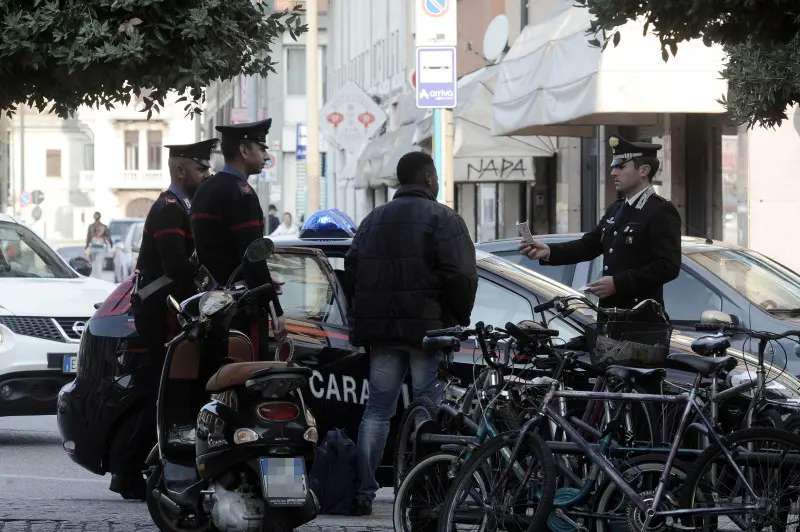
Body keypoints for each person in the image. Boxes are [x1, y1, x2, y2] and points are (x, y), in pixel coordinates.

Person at [344, 151, 478, 515]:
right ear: (429, 178)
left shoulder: (373, 220)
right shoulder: (443, 219)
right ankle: (422, 487)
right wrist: (457, 318)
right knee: (428, 406)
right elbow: (461, 275)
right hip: (428, 331)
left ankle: (363, 492)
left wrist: (366, 316)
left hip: (383, 333)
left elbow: (351, 269)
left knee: (377, 410)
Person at [110, 138, 218, 500]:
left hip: (165, 311)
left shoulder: (181, 206)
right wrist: (208, 272)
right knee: (163, 392)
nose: (207, 174)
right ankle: (127, 472)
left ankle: (134, 469)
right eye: (202, 168)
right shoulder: (170, 208)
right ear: (181, 170)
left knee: (161, 391)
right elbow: (175, 267)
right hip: (159, 315)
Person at [520, 135, 681, 321]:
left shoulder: (660, 210)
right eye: (614, 166)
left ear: (644, 170)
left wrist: (618, 284)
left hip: (642, 321)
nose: (613, 172)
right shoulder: (617, 208)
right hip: (610, 317)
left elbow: (667, 266)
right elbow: (589, 245)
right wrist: (548, 251)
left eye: (621, 167)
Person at [190, 119, 286, 355]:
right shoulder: (240, 193)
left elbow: (220, 251)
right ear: (244, 150)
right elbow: (251, 254)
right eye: (261, 148)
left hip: (210, 304)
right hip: (238, 309)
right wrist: (275, 309)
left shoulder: (207, 188)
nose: (266, 157)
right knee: (246, 380)